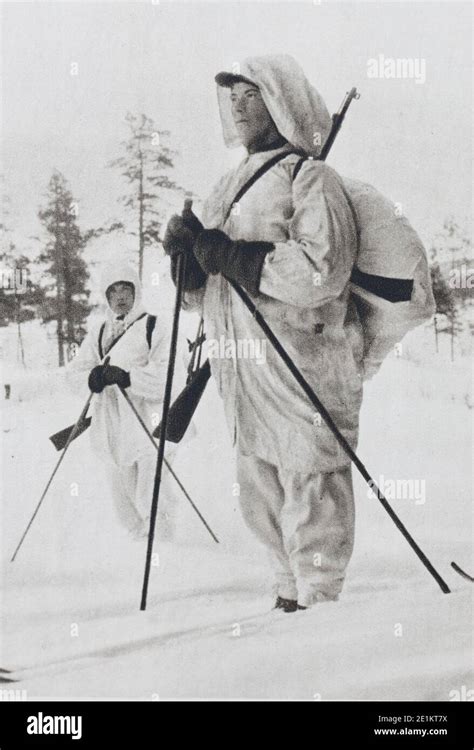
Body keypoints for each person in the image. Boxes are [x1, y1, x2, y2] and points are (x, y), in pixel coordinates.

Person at [163, 54, 363, 611]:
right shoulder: (226, 185)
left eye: (252, 93)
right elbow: (208, 292)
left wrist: (234, 255)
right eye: (233, 95)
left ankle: (321, 602)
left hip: (300, 356)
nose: (238, 104)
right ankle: (285, 591)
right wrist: (189, 262)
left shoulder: (310, 176)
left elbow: (323, 270)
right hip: (241, 362)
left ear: (283, 101)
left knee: (310, 471)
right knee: (259, 476)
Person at [67, 259, 180, 540]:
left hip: (149, 421)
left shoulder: (154, 326)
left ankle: (164, 547)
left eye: (126, 289)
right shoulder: (100, 332)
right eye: (113, 291)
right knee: (123, 497)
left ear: (136, 291)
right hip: (112, 423)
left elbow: (169, 373)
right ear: (106, 296)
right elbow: (75, 372)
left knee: (151, 491)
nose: (120, 296)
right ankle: (138, 547)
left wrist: (128, 377)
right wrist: (91, 377)